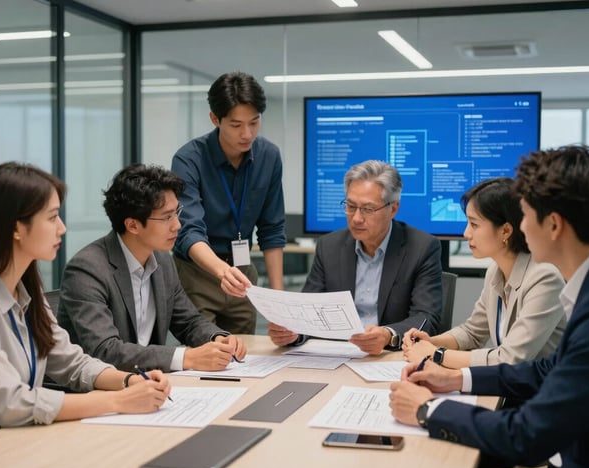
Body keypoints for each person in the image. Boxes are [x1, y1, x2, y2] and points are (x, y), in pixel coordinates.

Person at [389, 145, 589, 468]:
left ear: (553, 225)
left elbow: (529, 435)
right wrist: (455, 380)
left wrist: (429, 410)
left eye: (525, 215)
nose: (520, 228)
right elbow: (547, 369)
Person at [0, 162, 171, 443]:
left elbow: (72, 363)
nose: (62, 228)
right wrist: (119, 401)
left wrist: (129, 380)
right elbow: (11, 403)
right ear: (16, 228)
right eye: (52, 218)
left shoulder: (26, 292)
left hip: (17, 437)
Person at [58, 164, 246, 373]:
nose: (177, 225)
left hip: (150, 384)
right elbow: (105, 350)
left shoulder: (162, 261)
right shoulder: (87, 269)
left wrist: (218, 338)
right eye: (167, 217)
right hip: (100, 393)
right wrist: (187, 357)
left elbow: (188, 322)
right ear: (133, 225)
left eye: (177, 213)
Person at [268, 160, 442, 355]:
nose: (357, 218)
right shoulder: (329, 246)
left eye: (367, 209)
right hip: (336, 355)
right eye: (351, 206)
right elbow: (309, 310)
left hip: (390, 357)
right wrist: (293, 332)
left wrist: (388, 335)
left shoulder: (422, 247)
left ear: (393, 209)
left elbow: (426, 317)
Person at [402, 178, 566, 369]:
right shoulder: (496, 271)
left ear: (505, 230)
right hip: (509, 387)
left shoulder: (545, 277)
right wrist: (430, 342)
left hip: (541, 393)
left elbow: (511, 358)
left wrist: (436, 355)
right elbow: (472, 332)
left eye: (474, 224)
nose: (466, 233)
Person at [171, 71, 285, 335]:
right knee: (204, 352)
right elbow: (188, 230)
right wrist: (222, 271)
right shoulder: (189, 159)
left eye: (254, 122)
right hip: (198, 271)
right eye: (236, 125)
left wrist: (279, 301)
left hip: (242, 271)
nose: (247, 133)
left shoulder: (269, 156)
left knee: (245, 353)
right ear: (215, 119)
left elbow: (272, 229)